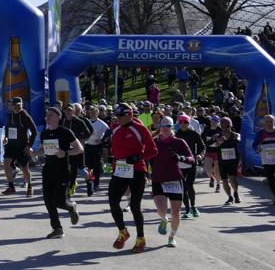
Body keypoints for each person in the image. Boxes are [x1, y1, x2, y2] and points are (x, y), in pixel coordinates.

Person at [106, 103, 157, 253]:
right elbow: (113, 146)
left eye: (121, 116)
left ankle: (140, 238)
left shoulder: (140, 128)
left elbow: (153, 151)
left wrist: (137, 157)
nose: (118, 118)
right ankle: (123, 231)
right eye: (116, 116)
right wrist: (112, 157)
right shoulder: (115, 127)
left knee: (135, 206)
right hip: (120, 169)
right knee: (113, 201)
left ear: (129, 114)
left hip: (137, 170)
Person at [38, 106, 83, 239]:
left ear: (58, 117)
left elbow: (79, 149)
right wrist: (34, 153)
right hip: (48, 170)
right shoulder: (44, 133)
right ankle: (57, 228)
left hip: (62, 170)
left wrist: (65, 153)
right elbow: (43, 150)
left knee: (58, 201)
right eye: (47, 115)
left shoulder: (65, 132)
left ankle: (71, 207)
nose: (47, 117)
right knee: (48, 201)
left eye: (51, 115)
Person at [151, 118, 194, 248]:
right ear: (159, 126)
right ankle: (163, 219)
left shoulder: (179, 142)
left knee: (175, 213)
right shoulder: (153, 142)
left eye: (168, 125)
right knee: (162, 210)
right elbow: (144, 156)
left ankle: (172, 237)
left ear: (172, 127)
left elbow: (191, 159)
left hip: (175, 179)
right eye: (163, 125)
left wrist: (181, 158)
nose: (165, 128)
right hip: (158, 179)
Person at [1, 96, 37, 196]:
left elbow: (34, 131)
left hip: (22, 146)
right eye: (9, 104)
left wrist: (29, 145)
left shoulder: (25, 116)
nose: (8, 106)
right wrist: (6, 137)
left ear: (18, 105)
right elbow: (8, 127)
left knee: (24, 168)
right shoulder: (10, 115)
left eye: (10, 104)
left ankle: (30, 186)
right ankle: (11, 187)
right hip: (11, 145)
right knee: (6, 164)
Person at [175, 115, 205, 218]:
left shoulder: (194, 134)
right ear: (179, 123)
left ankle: (193, 207)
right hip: (180, 164)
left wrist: (200, 155)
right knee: (183, 188)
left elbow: (202, 146)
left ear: (189, 123)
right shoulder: (176, 135)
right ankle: (187, 209)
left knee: (189, 185)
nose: (183, 124)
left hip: (191, 163)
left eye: (185, 122)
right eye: (181, 122)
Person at [82, 104, 108, 196]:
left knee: (96, 166)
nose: (93, 114)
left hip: (97, 147)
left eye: (95, 112)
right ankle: (90, 182)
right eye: (91, 112)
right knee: (88, 165)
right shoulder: (87, 122)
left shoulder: (102, 123)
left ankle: (96, 183)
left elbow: (109, 132)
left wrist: (102, 139)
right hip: (88, 146)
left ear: (98, 113)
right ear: (89, 113)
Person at [215, 117, 242, 204]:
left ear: (230, 126)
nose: (224, 128)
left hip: (233, 160)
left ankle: (236, 193)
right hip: (222, 161)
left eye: (226, 126)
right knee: (224, 180)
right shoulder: (217, 136)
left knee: (232, 178)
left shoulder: (236, 135)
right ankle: (230, 197)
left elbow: (238, 139)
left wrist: (224, 141)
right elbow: (212, 145)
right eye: (222, 126)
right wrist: (217, 142)